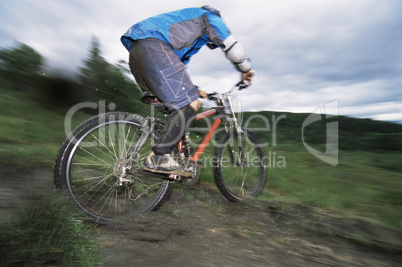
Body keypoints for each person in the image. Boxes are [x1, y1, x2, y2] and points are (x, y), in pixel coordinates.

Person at [121, 5, 255, 176]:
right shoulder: (209, 16)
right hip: (154, 46)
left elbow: (177, 70)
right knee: (191, 103)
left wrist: (195, 89)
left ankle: (172, 156)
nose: (213, 43)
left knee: (181, 104)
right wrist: (246, 69)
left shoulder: (189, 38)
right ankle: (159, 156)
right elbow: (232, 47)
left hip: (138, 52)